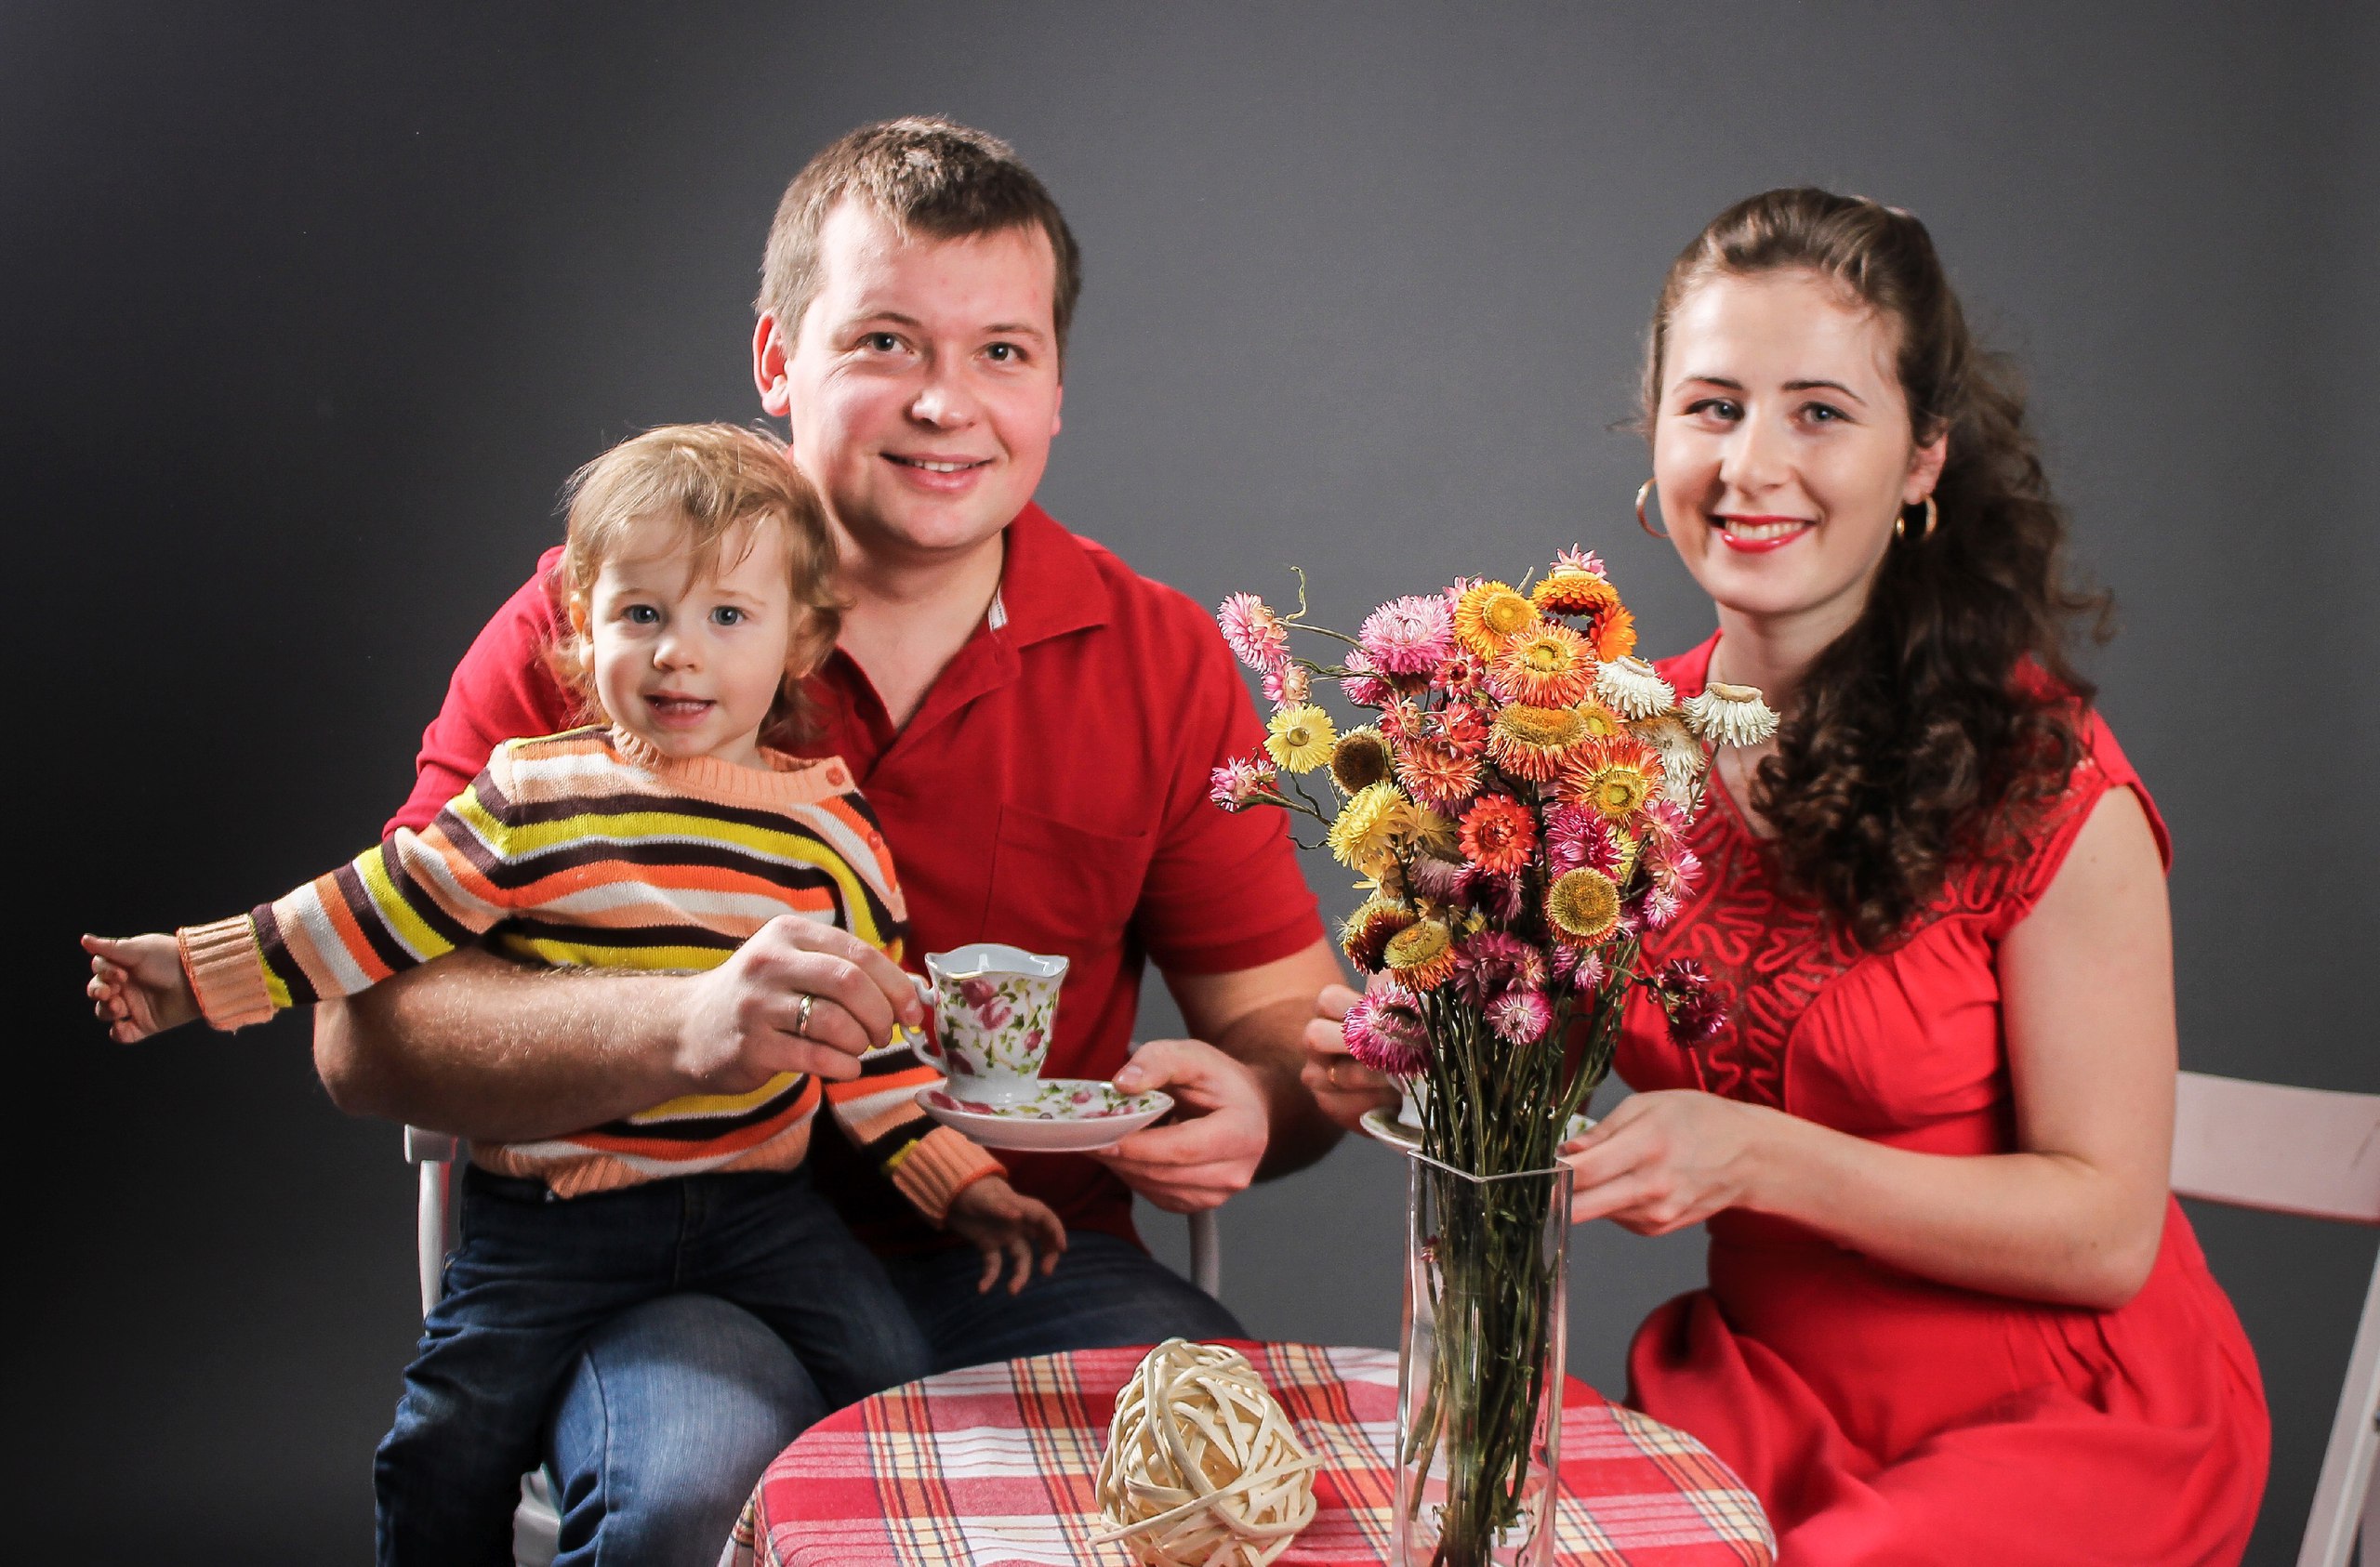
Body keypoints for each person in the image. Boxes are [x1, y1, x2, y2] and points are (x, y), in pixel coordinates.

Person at [309, 120, 1344, 1562]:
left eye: (1002, 351)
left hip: (1019, 1253)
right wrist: (681, 1025)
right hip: (659, 1262)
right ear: (776, 360)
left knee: (1239, 1481)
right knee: (690, 1497)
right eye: (884, 342)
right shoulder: (604, 620)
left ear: (1056, 388)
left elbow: (1289, 1037)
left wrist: (1256, 1097)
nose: (947, 403)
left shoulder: (1159, 653)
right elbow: (364, 1039)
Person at [1307, 189, 2268, 1564]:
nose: (1754, 465)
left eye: (1820, 411)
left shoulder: (2045, 781)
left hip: (2058, 1416)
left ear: (1923, 457)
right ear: (1656, 437)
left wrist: (1757, 1156)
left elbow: (2107, 1230)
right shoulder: (1612, 754)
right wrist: (1407, 1064)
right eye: (1712, 406)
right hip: (1765, 1402)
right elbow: (1539, 1066)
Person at [85, 423, 1068, 1562]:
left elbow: (876, 1042)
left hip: (761, 1212)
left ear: (803, 641)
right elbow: (373, 912)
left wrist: (962, 1183)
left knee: (900, 1394)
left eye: (726, 619)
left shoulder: (831, 833)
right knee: (443, 1440)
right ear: (581, 626)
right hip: (554, 1219)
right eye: (641, 615)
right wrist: (201, 971)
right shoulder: (534, 795)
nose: (677, 657)